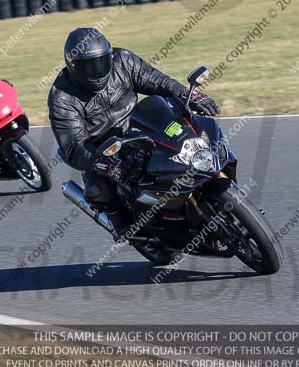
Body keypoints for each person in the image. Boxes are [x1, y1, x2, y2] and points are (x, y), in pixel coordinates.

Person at [48, 27, 219, 233]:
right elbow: (75, 147)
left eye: (102, 62)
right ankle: (122, 227)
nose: (98, 71)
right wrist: (107, 166)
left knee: (196, 132)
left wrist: (188, 95)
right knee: (98, 190)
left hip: (143, 125)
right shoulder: (61, 97)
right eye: (89, 67)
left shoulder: (123, 60)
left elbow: (158, 81)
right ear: (73, 66)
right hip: (103, 149)